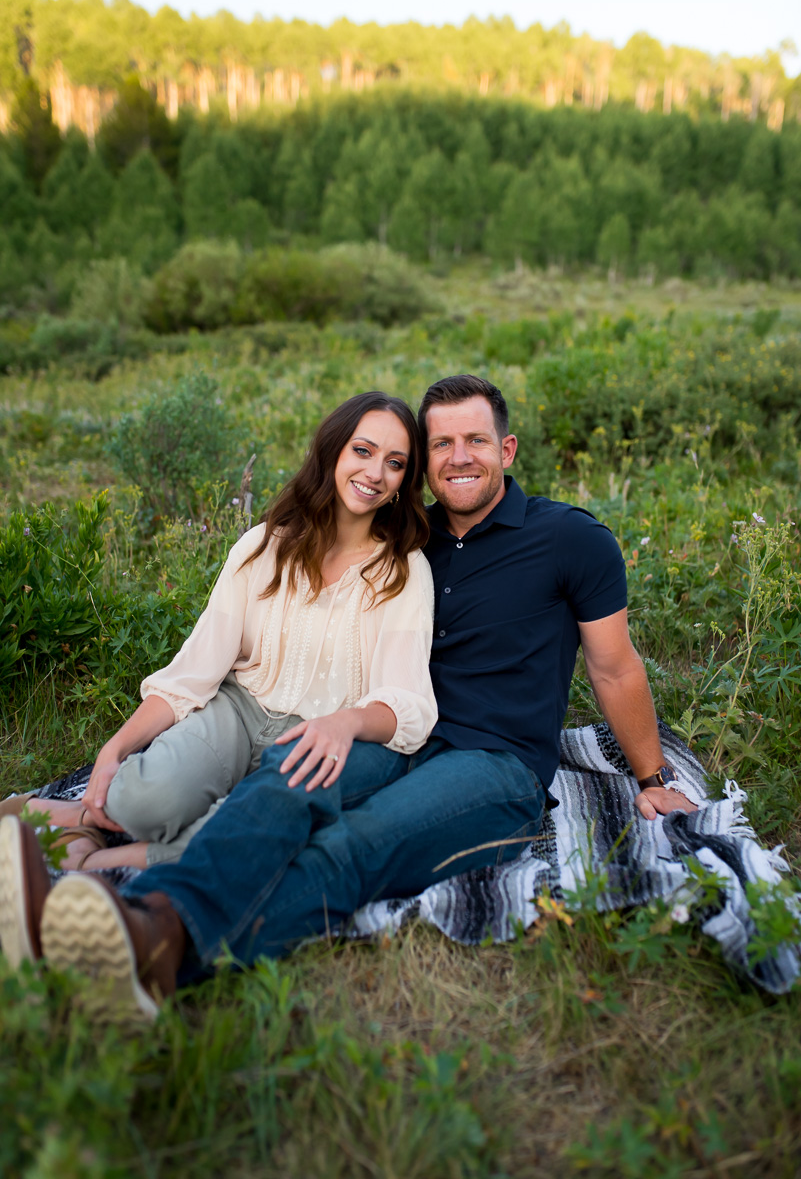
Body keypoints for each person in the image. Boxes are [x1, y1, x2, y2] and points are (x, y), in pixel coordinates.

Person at [0, 375, 695, 1025]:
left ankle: (161, 940)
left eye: (475, 441)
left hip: (491, 761)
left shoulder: (569, 538)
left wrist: (652, 777)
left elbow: (613, 668)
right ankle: (129, 910)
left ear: (505, 450)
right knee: (286, 777)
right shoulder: (410, 539)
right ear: (425, 465)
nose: (459, 458)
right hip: (398, 739)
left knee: (353, 846)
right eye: (442, 444)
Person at [0, 391, 436, 873]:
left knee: (251, 828)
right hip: (237, 711)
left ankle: (95, 862)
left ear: (403, 482)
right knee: (144, 800)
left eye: (394, 463)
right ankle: (77, 816)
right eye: (363, 450)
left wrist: (345, 723)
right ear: (334, 450)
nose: (375, 473)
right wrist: (114, 749)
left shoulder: (404, 571)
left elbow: (407, 703)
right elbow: (193, 673)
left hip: (315, 739)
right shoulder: (263, 547)